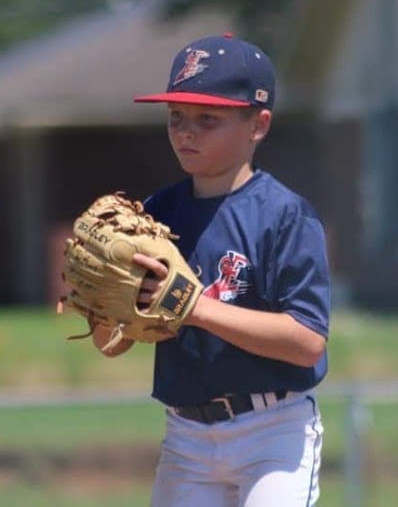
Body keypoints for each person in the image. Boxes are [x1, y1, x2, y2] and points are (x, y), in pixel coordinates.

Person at [92, 33, 331, 506]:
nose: (186, 132)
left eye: (208, 119)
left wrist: (195, 308)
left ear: (258, 124)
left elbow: (307, 342)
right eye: (176, 117)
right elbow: (110, 343)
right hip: (187, 437)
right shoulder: (156, 215)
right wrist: (100, 300)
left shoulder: (284, 215)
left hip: (273, 431)